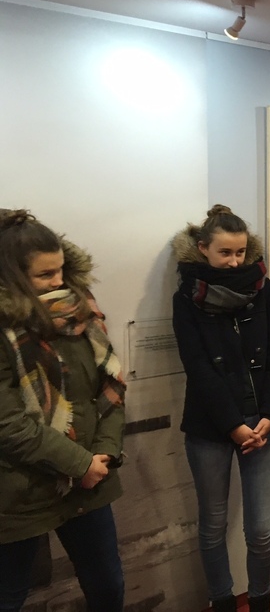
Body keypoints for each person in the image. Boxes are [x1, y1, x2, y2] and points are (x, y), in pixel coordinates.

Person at [0, 210, 126, 612]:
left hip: (89, 479)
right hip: (22, 490)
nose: (59, 282)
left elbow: (110, 388)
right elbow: (8, 424)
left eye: (61, 270)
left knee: (108, 587)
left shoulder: (80, 313)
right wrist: (80, 463)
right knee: (8, 595)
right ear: (13, 276)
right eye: (45, 275)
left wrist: (104, 453)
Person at [172, 205, 270, 612]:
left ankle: (260, 601)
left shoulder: (263, 289)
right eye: (225, 253)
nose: (235, 261)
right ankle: (221, 601)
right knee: (213, 525)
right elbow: (197, 368)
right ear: (203, 248)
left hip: (263, 422)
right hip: (211, 426)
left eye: (240, 252)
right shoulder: (187, 298)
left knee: (261, 530)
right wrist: (233, 426)